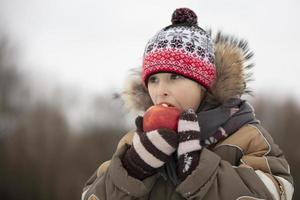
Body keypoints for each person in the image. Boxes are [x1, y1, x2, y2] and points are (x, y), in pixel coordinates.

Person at [82, 8, 294, 200]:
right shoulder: (137, 141)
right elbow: (90, 195)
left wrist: (198, 170)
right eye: (153, 80)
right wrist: (131, 172)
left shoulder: (245, 136)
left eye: (174, 77)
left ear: (203, 84)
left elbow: (276, 192)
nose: (161, 90)